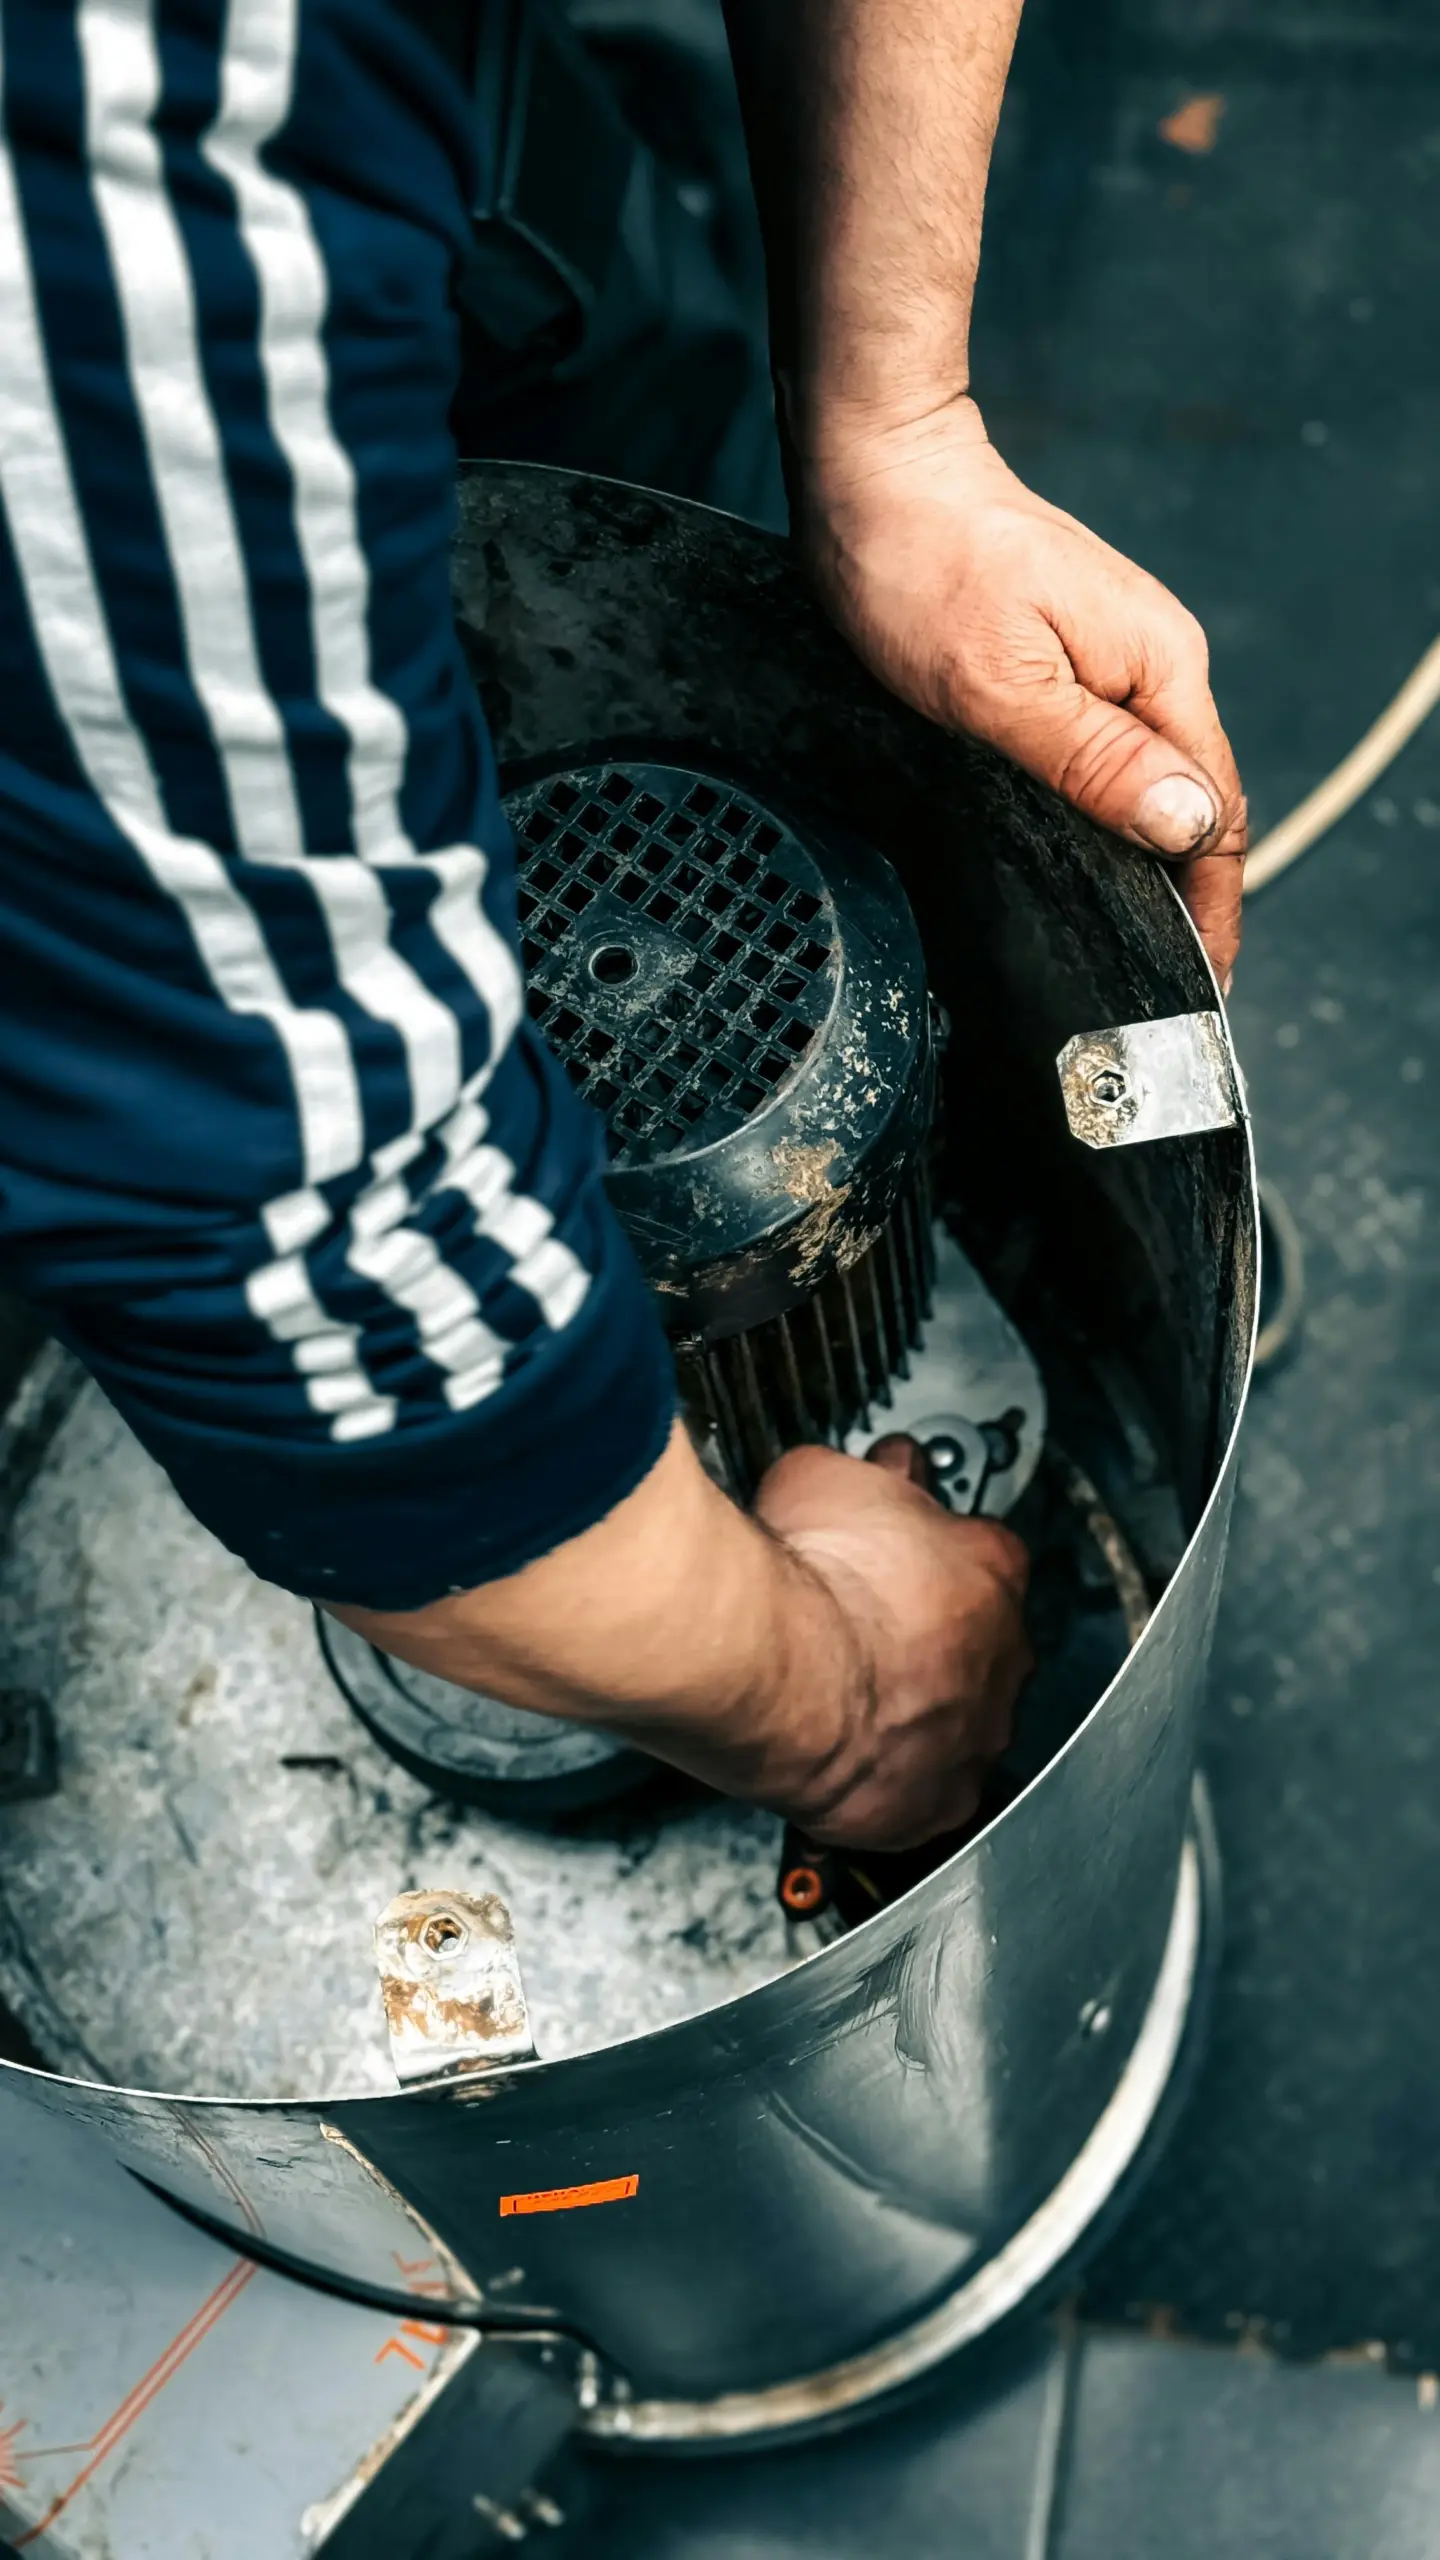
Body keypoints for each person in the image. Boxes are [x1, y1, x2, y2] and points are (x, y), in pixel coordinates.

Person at [0, 0, 1245, 1853]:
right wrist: (845, 1713)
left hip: (448, 167)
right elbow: (325, 1302)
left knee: (626, 358)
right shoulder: (107, 266)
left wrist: (887, 410)